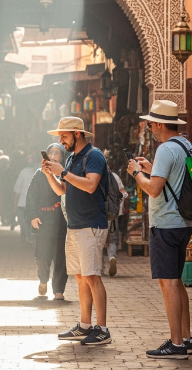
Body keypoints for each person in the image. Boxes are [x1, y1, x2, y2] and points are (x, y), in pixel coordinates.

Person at [127, 100, 192, 359]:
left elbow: (154, 189)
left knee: (168, 283)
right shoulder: (187, 145)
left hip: (166, 223)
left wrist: (136, 173)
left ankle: (176, 344)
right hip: (184, 222)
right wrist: (149, 168)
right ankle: (187, 339)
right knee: (177, 281)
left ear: (158, 124)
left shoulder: (166, 149)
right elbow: (184, 178)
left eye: (151, 124)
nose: (150, 128)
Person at [42, 117, 112, 346]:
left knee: (92, 276)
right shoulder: (72, 158)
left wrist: (62, 172)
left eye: (64, 135)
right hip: (74, 225)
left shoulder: (94, 155)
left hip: (91, 225)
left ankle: (102, 329)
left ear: (77, 133)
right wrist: (50, 174)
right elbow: (63, 190)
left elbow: (91, 185)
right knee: (81, 277)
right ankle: (84, 325)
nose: (60, 140)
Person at [27, 143, 69, 299]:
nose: (52, 156)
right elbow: (31, 196)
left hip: (61, 220)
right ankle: (43, 279)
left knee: (60, 256)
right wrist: (32, 216)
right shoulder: (39, 174)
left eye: (56, 153)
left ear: (62, 156)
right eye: (50, 152)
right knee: (42, 255)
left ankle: (59, 290)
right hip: (43, 220)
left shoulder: (66, 174)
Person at [104, 171, 127, 277]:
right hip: (113, 213)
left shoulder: (92, 174)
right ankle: (112, 257)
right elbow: (124, 193)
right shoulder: (114, 176)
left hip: (98, 213)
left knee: (98, 240)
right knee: (113, 238)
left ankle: (99, 269)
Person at [14, 153, 38, 243]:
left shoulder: (23, 172)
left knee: (23, 221)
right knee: (30, 220)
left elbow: (17, 189)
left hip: (23, 202)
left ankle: (25, 236)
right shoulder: (40, 171)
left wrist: (15, 204)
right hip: (32, 202)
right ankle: (29, 237)